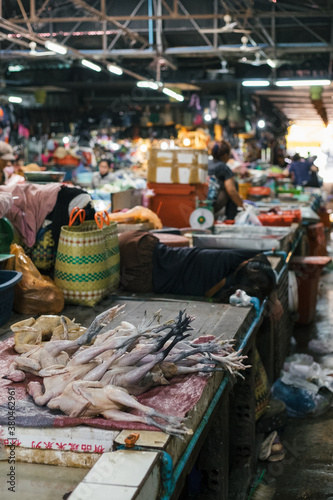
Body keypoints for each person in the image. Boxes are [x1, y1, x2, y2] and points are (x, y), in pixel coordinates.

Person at [118, 231, 283, 321]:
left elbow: (261, 257)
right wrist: (273, 299)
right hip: (140, 275)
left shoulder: (232, 259)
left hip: (137, 247)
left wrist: (274, 298)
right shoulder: (229, 294)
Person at [208, 141, 244, 220]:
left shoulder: (207, 163)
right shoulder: (223, 167)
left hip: (201, 203)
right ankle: (230, 218)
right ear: (225, 155)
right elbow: (231, 191)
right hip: (212, 205)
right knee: (233, 184)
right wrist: (242, 205)